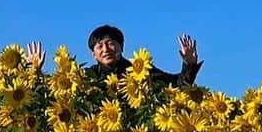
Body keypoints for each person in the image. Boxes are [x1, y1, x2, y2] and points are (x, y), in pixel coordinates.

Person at [25, 25, 202, 86]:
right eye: (99, 45)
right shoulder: (86, 77)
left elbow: (176, 85)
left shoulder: (138, 70)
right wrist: (34, 71)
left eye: (110, 43)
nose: (105, 49)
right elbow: (57, 92)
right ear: (93, 54)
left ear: (121, 46)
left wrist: (189, 65)